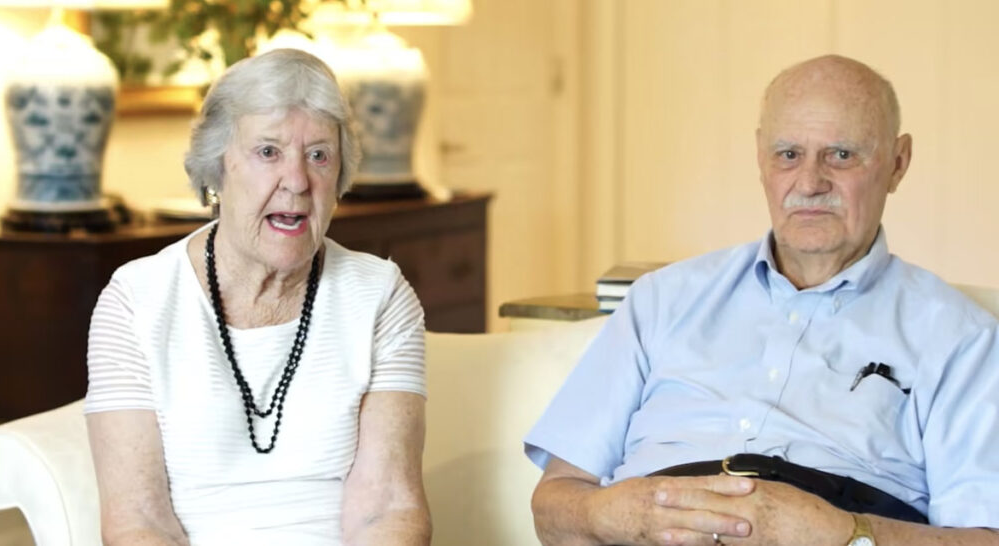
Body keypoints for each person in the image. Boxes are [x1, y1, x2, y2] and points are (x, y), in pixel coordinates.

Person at [525, 55, 999, 546]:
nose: (810, 183)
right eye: (788, 154)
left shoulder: (959, 337)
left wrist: (842, 533)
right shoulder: (662, 300)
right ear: (760, 157)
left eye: (841, 155)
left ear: (897, 163)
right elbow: (555, 505)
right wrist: (621, 515)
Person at [83, 48, 431, 545]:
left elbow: (389, 511)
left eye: (318, 155)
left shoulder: (379, 296)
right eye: (268, 152)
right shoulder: (137, 301)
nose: (296, 181)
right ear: (218, 168)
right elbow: (139, 522)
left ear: (339, 178)